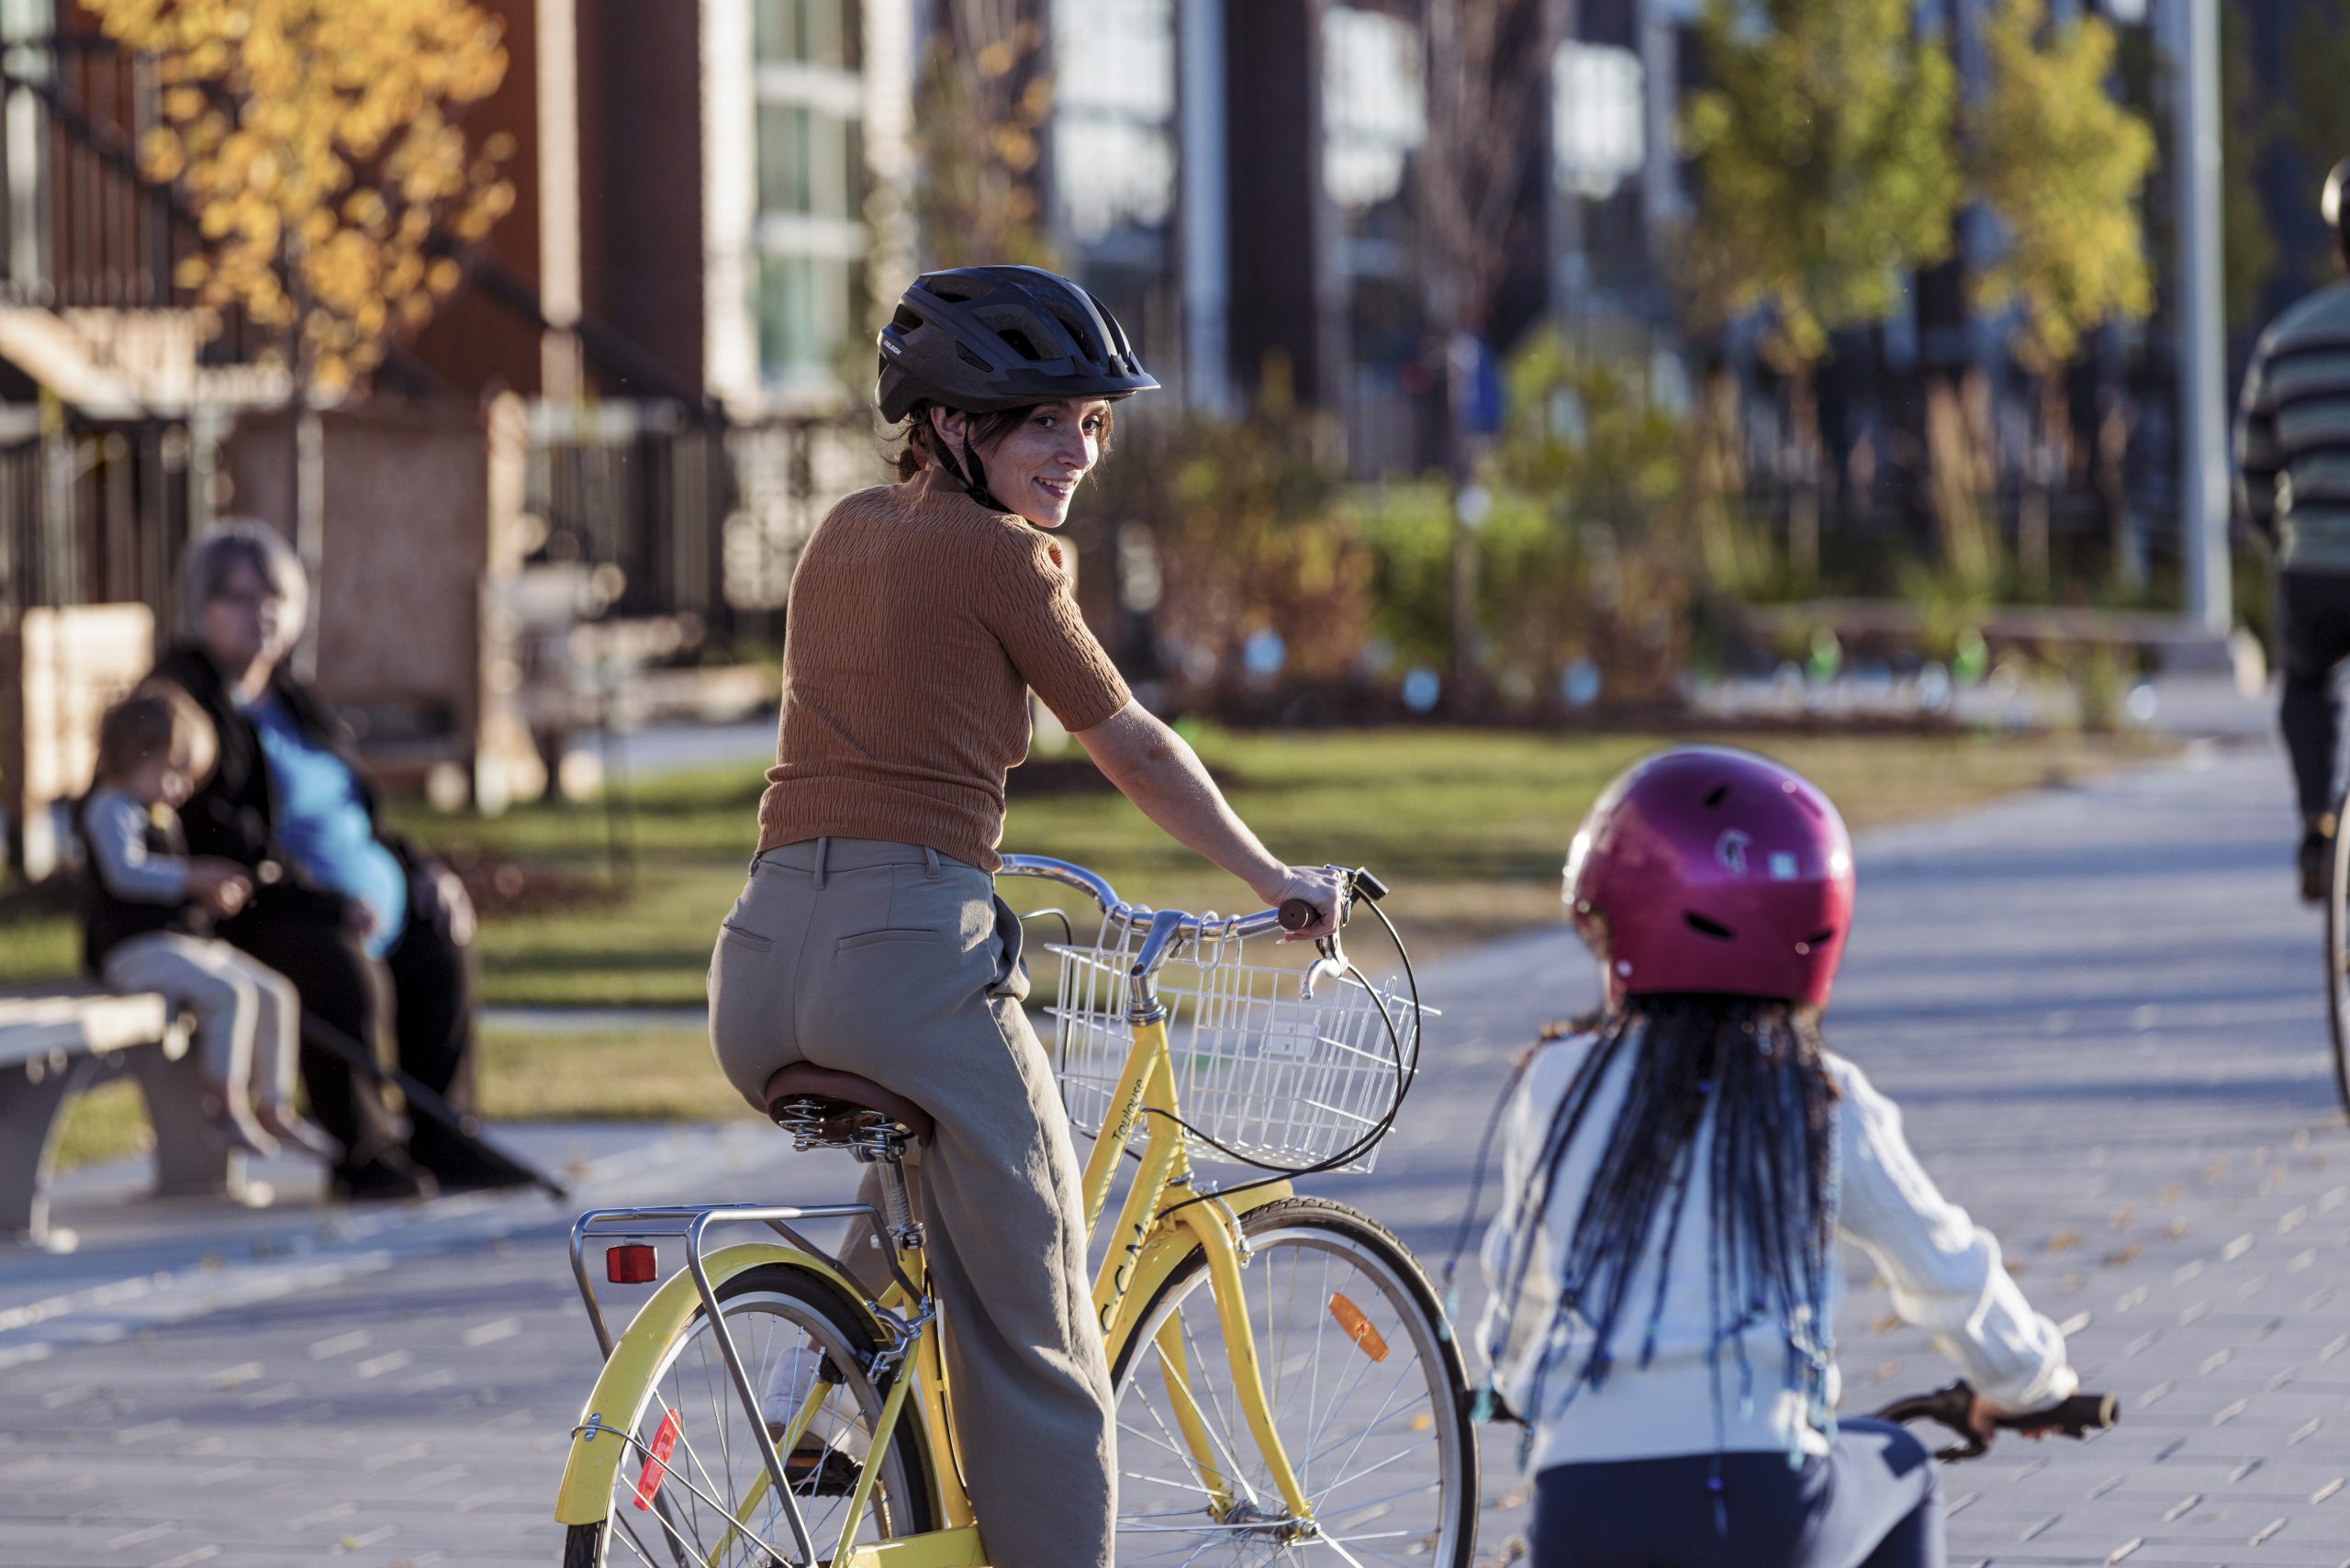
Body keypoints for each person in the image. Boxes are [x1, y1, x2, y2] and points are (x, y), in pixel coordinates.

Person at [706, 263, 1345, 1568]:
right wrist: (1276, 878)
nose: (1077, 452)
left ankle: (823, 1390)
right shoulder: (1007, 560)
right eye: (1045, 420)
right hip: (905, 963)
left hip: (761, 961)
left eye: (1094, 424)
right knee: (1042, 1313)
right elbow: (1136, 747)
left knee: (932, 1170)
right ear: (952, 425)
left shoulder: (838, 530)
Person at [1480, 747, 2076, 1568]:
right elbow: (1946, 1269)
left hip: (1580, 1515)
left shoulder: (1555, 1079)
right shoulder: (1818, 1098)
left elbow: (1521, 1288)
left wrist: (1513, 1387)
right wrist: (2029, 1385)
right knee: (1901, 1467)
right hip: (1759, 1510)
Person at [148, 521, 510, 1200]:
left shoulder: (292, 696)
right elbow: (222, 838)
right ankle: (363, 1152)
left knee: (441, 947)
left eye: (274, 597)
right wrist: (325, 901)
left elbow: (358, 810)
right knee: (341, 967)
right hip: (260, 911)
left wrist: (422, 868)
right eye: (235, 596)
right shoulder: (184, 704)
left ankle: (444, 1138)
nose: (259, 612)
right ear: (198, 606)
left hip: (352, 899)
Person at [81, 689, 338, 1164]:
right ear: (135, 751)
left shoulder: (156, 814)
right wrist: (194, 877)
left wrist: (206, 899)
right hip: (130, 951)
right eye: (174, 771)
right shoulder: (110, 808)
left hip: (175, 942)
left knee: (275, 992)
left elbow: (167, 885)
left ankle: (275, 1106)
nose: (181, 788)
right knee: (229, 993)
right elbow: (125, 874)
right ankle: (224, 1104)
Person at [2239, 157, 2350, 901]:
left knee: (2305, 680)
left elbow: (2253, 471)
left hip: (2314, 571)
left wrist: (2280, 543)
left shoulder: (2287, 340)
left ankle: (2316, 822)